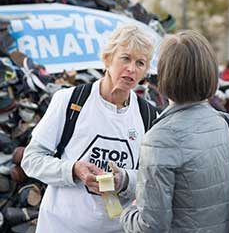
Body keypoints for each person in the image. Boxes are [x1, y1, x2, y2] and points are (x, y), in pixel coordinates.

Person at [120, 30, 229, 233]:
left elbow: (151, 227)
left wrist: (127, 213)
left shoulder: (159, 139)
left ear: (165, 76)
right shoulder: (227, 124)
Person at [21, 25, 156, 233]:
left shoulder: (148, 116)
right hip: (61, 226)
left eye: (140, 63)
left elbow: (154, 177)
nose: (132, 68)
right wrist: (73, 169)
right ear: (107, 59)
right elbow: (31, 159)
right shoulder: (70, 101)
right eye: (125, 58)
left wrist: (124, 180)